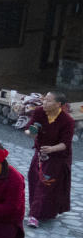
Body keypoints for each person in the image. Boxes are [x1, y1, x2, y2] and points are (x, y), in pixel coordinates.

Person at [24, 91, 74, 227]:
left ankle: (34, 215)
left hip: (57, 156)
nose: (44, 103)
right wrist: (31, 133)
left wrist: (51, 149)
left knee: (45, 183)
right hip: (40, 152)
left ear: (59, 104)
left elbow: (65, 143)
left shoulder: (67, 121)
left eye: (48, 101)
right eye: (44, 99)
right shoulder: (39, 112)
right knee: (34, 178)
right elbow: (28, 129)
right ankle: (39, 210)